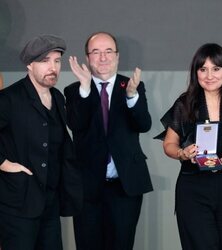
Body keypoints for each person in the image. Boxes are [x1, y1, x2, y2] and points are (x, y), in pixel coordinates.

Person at [64, 31, 153, 250]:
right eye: (96, 52)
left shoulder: (131, 85)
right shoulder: (74, 90)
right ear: (87, 58)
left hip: (125, 187)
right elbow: (76, 124)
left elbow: (144, 125)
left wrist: (132, 96)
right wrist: (85, 89)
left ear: (117, 56)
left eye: (108, 51)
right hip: (87, 188)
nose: (103, 57)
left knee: (122, 245)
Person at [157, 43, 222, 250]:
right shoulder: (185, 104)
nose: (209, 75)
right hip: (193, 189)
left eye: (216, 69)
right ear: (195, 73)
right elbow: (169, 144)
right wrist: (182, 153)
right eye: (203, 69)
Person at [0, 34, 82, 250]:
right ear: (29, 64)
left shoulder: (58, 97)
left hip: (50, 202)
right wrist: (4, 163)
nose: (52, 67)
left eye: (56, 61)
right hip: (18, 202)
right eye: (44, 61)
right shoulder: (9, 98)